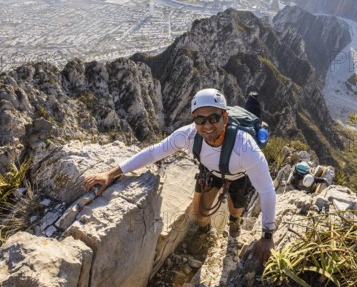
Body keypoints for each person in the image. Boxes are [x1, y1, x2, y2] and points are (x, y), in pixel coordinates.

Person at [84, 88, 276, 263]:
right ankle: (204, 232)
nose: (206, 125)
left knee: (236, 209)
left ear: (225, 118)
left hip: (238, 175)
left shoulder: (246, 148)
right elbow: (152, 153)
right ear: (194, 120)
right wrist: (111, 174)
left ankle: (234, 224)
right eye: (200, 119)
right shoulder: (188, 136)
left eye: (213, 118)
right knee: (199, 212)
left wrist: (267, 236)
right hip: (210, 171)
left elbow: (267, 191)